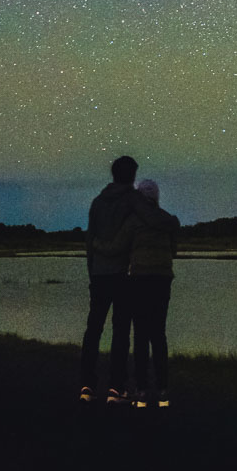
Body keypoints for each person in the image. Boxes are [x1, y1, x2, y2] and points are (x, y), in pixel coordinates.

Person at [94, 177, 179, 408]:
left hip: (140, 280)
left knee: (141, 335)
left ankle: (141, 391)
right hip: (163, 280)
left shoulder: (133, 221)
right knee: (158, 335)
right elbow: (174, 251)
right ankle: (162, 391)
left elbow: (117, 247)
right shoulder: (167, 221)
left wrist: (97, 245)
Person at [80, 154, 141, 403]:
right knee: (121, 330)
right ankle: (116, 387)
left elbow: (89, 240)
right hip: (122, 274)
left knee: (93, 329)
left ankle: (87, 385)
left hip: (99, 274)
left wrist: (92, 271)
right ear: (132, 175)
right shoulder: (133, 200)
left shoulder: (97, 201)